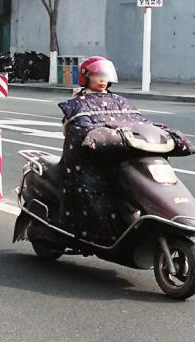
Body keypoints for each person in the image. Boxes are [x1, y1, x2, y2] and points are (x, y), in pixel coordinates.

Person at [58, 57, 138, 243]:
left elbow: (135, 121)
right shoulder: (77, 101)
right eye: (97, 76)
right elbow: (72, 129)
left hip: (113, 152)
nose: (102, 80)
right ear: (86, 77)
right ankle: (95, 234)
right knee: (92, 187)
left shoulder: (117, 101)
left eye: (105, 76)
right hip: (85, 157)